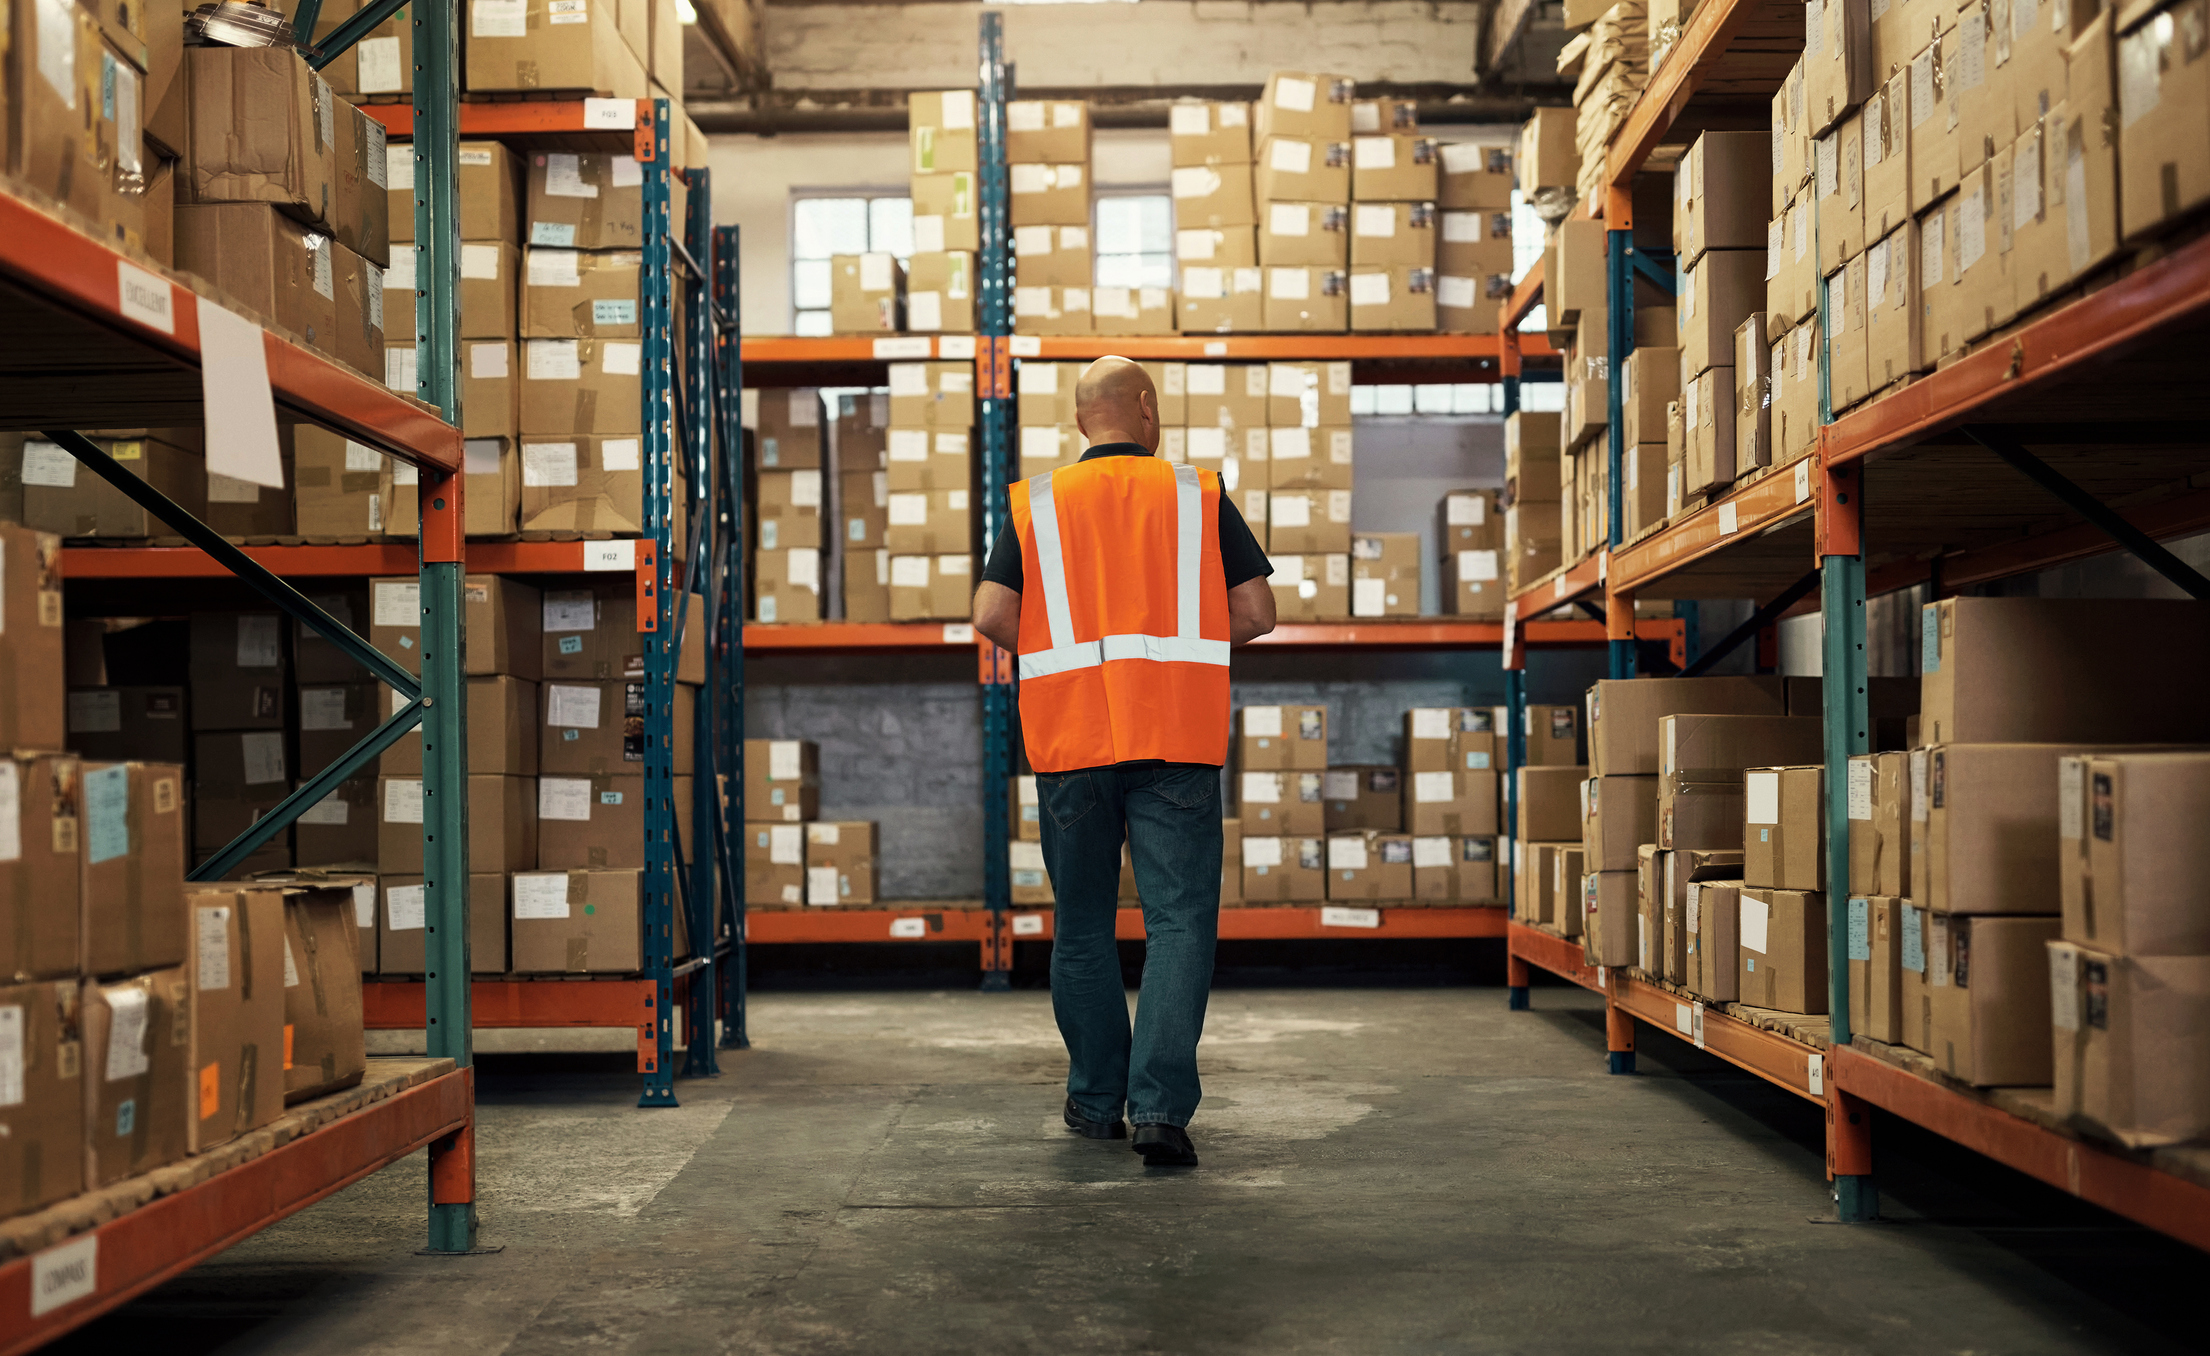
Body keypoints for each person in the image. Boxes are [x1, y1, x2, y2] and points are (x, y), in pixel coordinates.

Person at [972, 356, 1277, 1168]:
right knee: (1177, 925)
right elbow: (1257, 611)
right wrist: (1183, 655)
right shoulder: (1195, 494)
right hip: (1175, 736)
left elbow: (991, 613)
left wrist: (1059, 662)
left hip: (1073, 743)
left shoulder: (1039, 502)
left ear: (1081, 422)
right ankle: (1160, 1112)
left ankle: (1096, 1100)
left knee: (1081, 927)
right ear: (1145, 408)